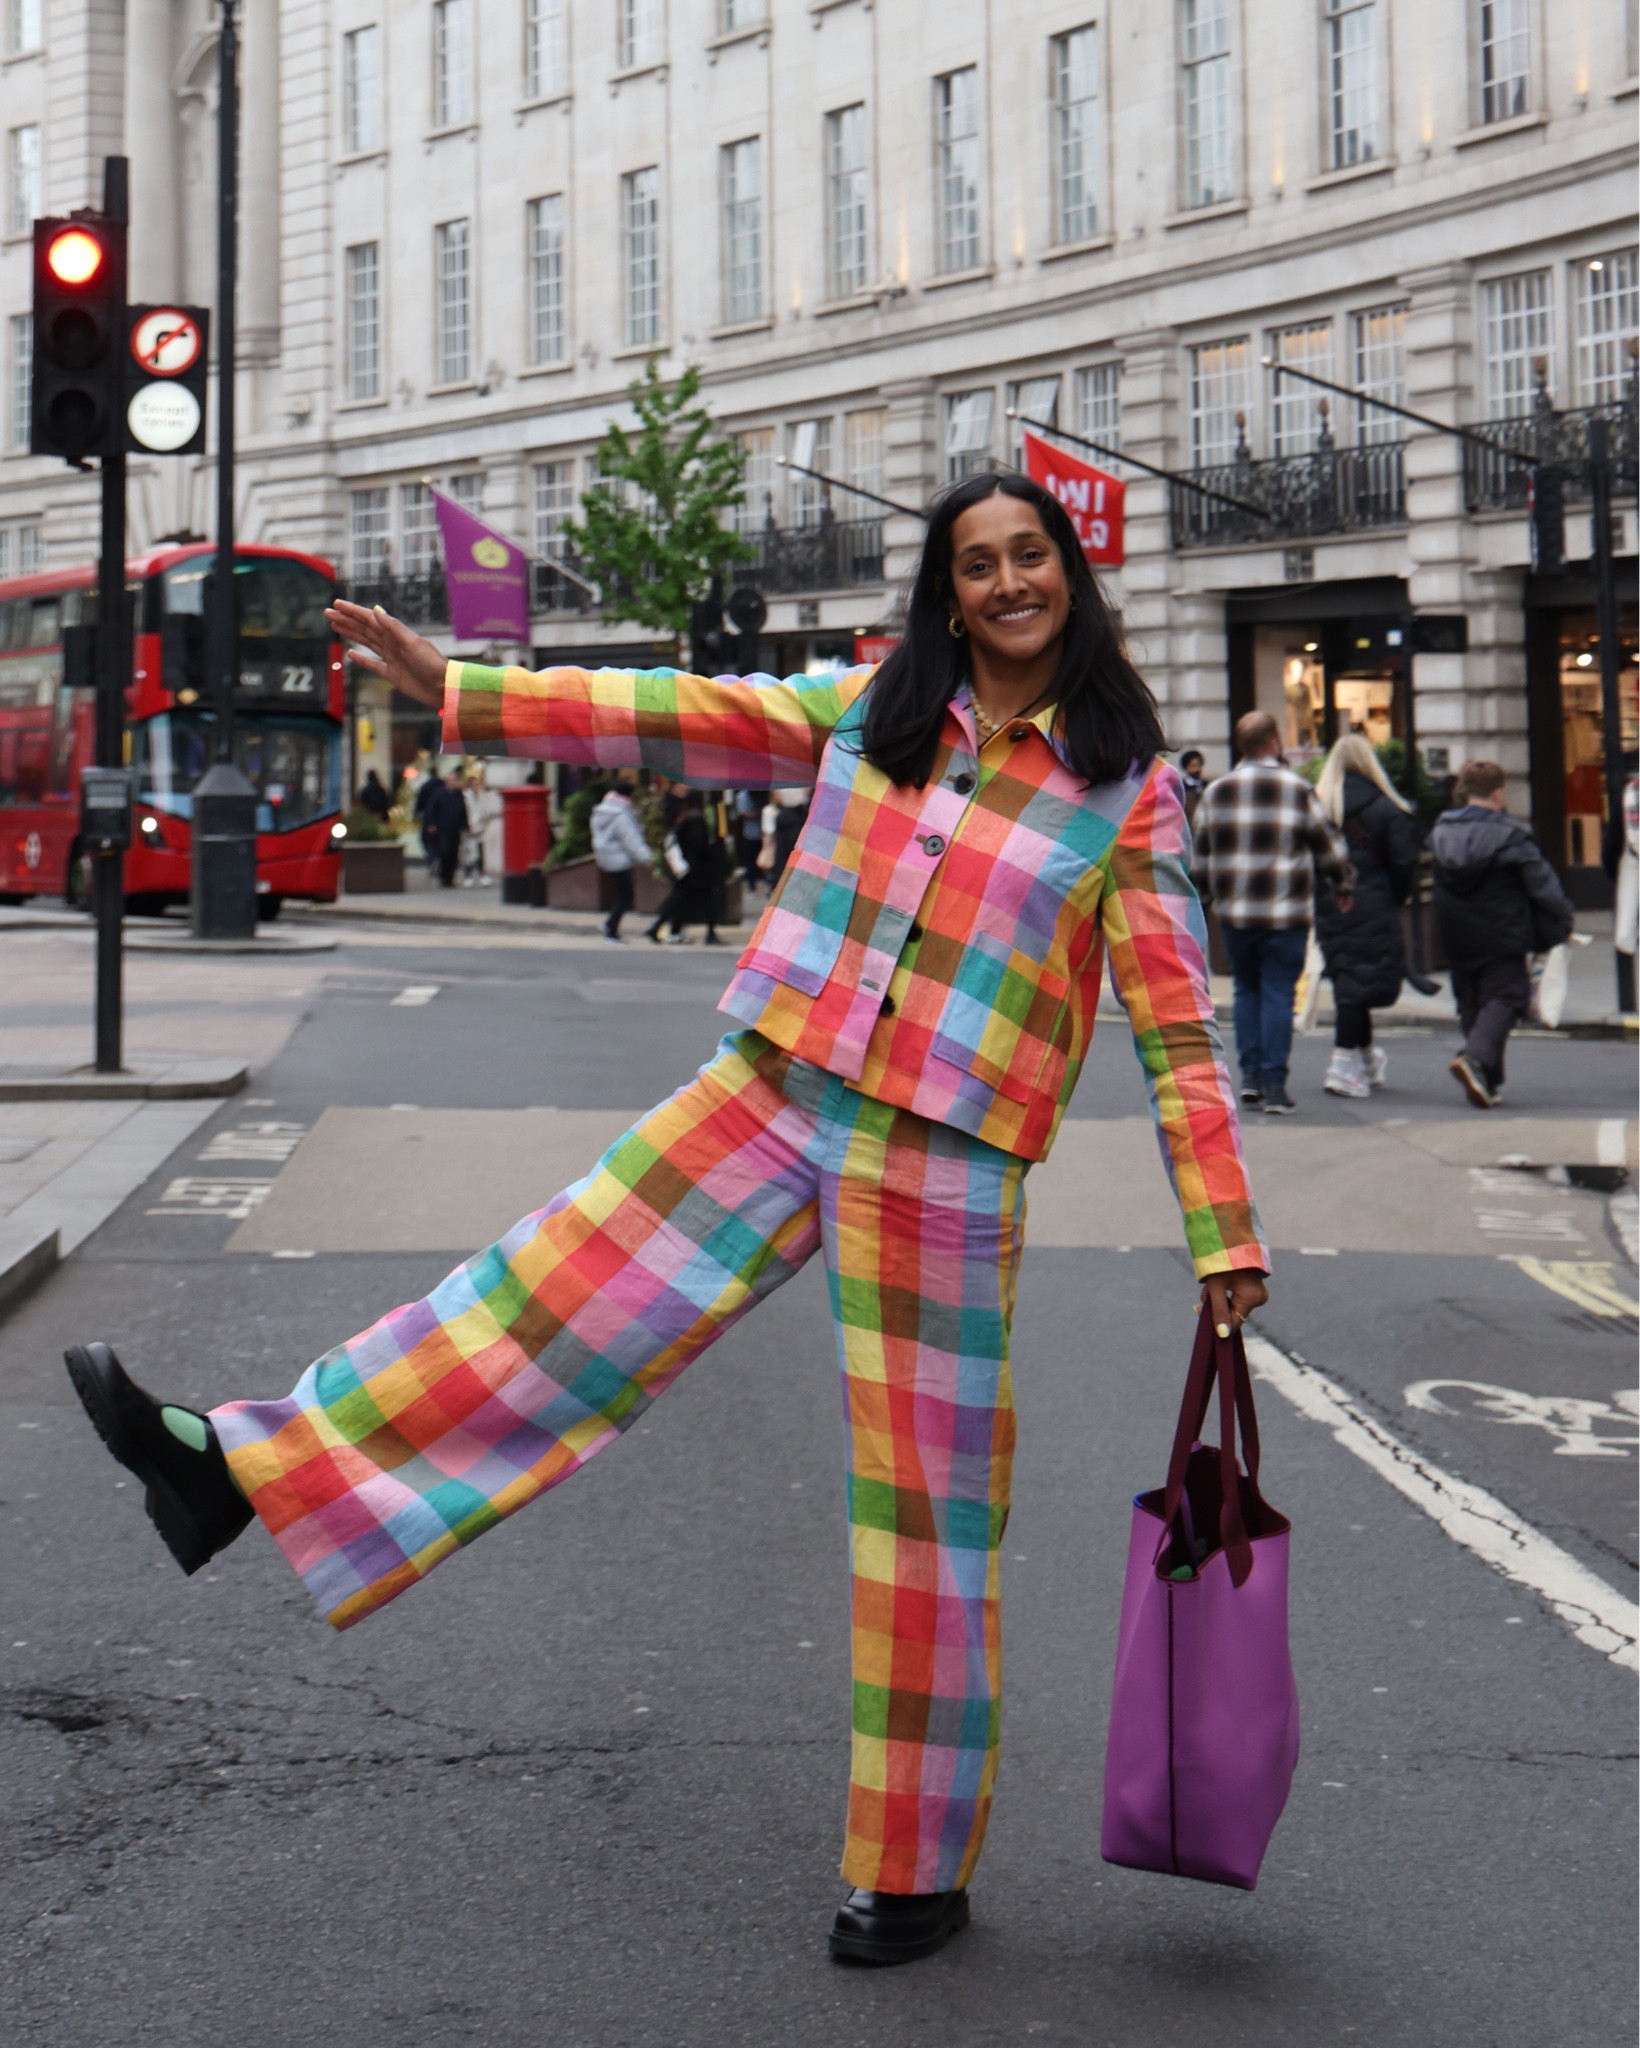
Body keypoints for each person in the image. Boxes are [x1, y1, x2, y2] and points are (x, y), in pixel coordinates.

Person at [61, 472, 1270, 1970]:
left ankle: (915, 1865)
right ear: (945, 593)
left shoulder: (1125, 785)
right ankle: (248, 1468)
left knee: (930, 1522)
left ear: (1069, 579)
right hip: (770, 1087)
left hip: (944, 1159)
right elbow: (677, 710)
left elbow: (1178, 1028)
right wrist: (468, 686)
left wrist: (1223, 1233)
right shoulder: (876, 709)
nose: (1009, 583)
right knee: (540, 1300)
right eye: (977, 564)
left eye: (1031, 557)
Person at [1191, 708, 1355, 1115]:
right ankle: (1275, 1086)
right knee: (1279, 994)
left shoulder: (1217, 792)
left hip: (1236, 916)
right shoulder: (1297, 789)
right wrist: (1343, 884)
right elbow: (1329, 847)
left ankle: (1249, 1079)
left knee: (1247, 990)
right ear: (1274, 743)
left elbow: (1199, 858)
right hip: (1286, 915)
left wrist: (1207, 898)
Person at [1430, 759, 1574, 1108]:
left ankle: (1487, 1081)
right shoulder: (1511, 835)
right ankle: (1475, 1060)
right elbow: (1543, 886)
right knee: (1507, 997)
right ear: (1498, 793)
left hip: (1455, 932)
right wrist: (1563, 918)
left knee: (1472, 1003)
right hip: (1501, 931)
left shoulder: (1441, 832)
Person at [1312, 733, 1417, 1099]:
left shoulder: (1319, 805)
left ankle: (1369, 1060)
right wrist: (1393, 897)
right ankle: (1342, 1066)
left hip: (1330, 904)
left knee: (1350, 980)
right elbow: (1405, 863)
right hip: (1374, 904)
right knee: (1358, 984)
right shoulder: (1386, 808)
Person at [645, 788, 726, 946]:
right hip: (697, 869)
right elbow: (698, 845)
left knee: (681, 898)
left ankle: (662, 927)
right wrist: (712, 850)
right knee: (702, 900)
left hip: (686, 868)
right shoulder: (697, 820)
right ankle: (709, 933)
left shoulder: (683, 819)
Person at [590, 773, 651, 943]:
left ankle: (610, 925)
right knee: (626, 896)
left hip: (605, 857)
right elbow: (631, 839)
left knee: (622, 894)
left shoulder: (600, 810)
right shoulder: (621, 814)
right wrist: (646, 858)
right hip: (620, 859)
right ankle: (610, 928)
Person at [1176, 748, 1207, 827]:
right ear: (1186, 767)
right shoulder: (1182, 788)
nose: (1197, 769)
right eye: (1193, 766)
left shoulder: (1206, 786)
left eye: (1199, 765)